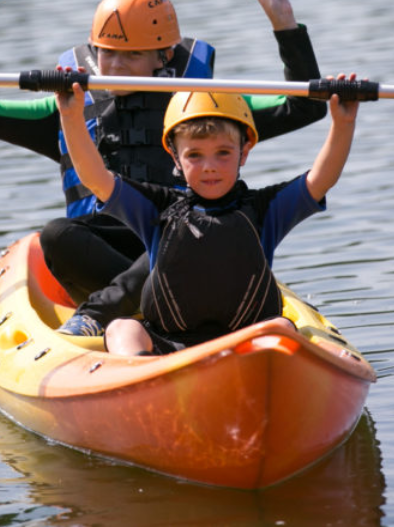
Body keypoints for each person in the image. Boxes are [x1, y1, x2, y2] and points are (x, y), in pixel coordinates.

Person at [0, 0, 327, 336]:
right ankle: (145, 302)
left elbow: (305, 106)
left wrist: (284, 21)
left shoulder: (205, 108)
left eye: (130, 56)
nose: (114, 67)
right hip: (110, 249)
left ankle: (143, 301)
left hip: (190, 238)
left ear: (163, 56)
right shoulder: (68, 109)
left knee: (176, 234)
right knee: (56, 236)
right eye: (106, 53)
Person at [55, 82, 359, 355]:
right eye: (195, 155)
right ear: (175, 157)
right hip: (168, 350)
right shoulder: (156, 207)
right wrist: (71, 117)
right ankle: (145, 383)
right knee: (122, 329)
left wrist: (343, 123)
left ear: (244, 152)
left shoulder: (267, 209)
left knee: (281, 326)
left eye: (223, 153)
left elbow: (320, 180)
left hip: (248, 343)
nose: (209, 167)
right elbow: (97, 179)